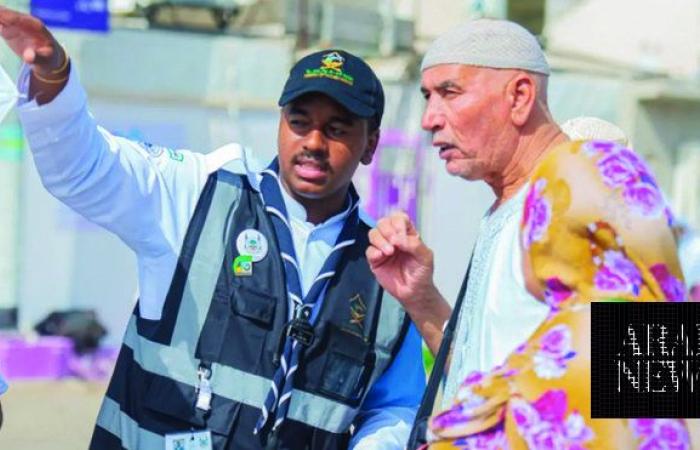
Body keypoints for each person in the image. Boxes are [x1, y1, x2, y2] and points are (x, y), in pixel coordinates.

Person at [0, 6, 425, 450]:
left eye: (336, 129)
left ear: (370, 144)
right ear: (280, 122)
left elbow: (396, 408)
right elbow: (83, 170)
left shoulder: (383, 269)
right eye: (300, 122)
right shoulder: (198, 193)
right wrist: (53, 76)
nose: (314, 143)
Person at [366, 19, 692, 448]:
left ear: (519, 96)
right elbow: (483, 373)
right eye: (427, 97)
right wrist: (422, 299)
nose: (429, 119)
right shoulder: (505, 210)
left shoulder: (588, 189)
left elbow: (658, 388)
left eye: (449, 92)